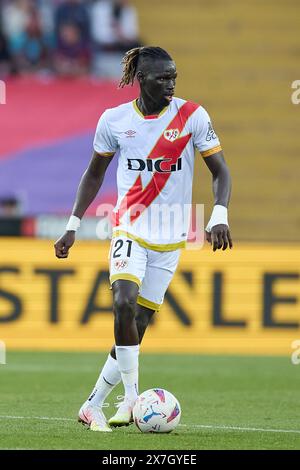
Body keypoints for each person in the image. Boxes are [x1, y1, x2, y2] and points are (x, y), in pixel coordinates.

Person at [54, 46, 232, 432]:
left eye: (174, 77)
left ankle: (92, 405)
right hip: (129, 227)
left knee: (136, 322)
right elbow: (94, 173)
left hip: (170, 239)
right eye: (162, 77)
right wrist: (73, 223)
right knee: (122, 302)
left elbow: (221, 171)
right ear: (141, 79)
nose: (170, 83)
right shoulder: (115, 120)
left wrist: (219, 213)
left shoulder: (191, 116)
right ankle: (133, 399)